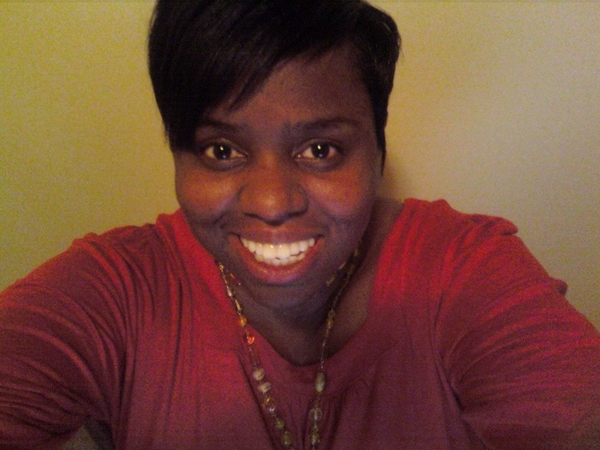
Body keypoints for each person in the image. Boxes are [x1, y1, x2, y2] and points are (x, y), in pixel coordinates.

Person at [1, 0, 599, 448]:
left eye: (320, 150)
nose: (270, 202)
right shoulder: (118, 293)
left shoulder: (462, 270)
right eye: (220, 151)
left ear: (377, 152)